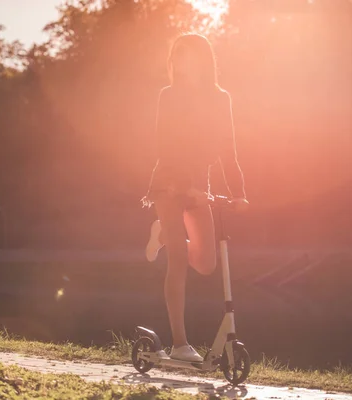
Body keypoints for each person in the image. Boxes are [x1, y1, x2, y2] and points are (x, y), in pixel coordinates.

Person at [141, 34, 248, 362]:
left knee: (205, 263)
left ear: (202, 60)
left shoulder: (221, 98)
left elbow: (228, 149)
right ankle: (179, 344)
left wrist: (239, 192)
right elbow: (164, 144)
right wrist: (180, 185)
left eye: (184, 55)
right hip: (168, 184)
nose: (178, 62)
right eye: (176, 56)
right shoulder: (168, 96)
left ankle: (160, 234)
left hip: (197, 187)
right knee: (177, 260)